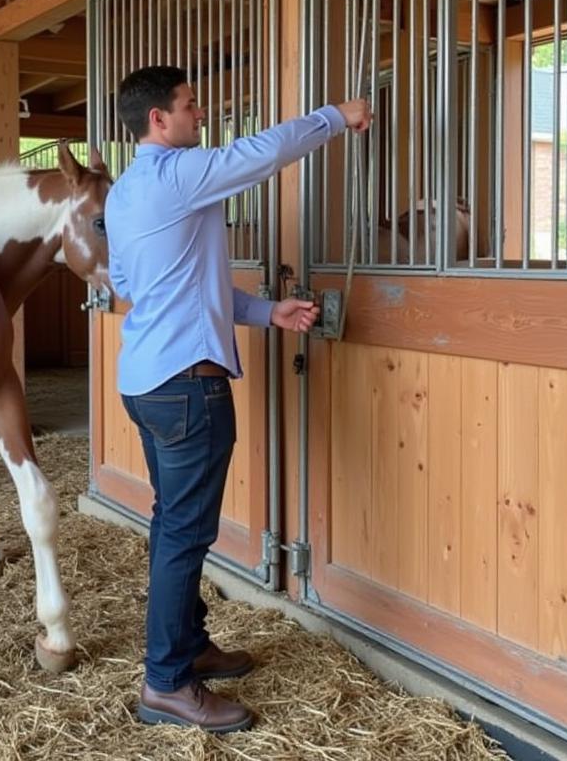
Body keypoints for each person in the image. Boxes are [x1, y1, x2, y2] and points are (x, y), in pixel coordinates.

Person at [104, 64, 371, 733]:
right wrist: (336, 116)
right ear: (158, 121)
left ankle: (189, 647)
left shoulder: (126, 192)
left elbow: (159, 285)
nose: (201, 116)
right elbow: (262, 154)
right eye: (190, 106)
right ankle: (166, 682)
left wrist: (264, 311)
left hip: (146, 381)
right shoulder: (180, 173)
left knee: (176, 525)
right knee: (184, 532)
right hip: (188, 387)